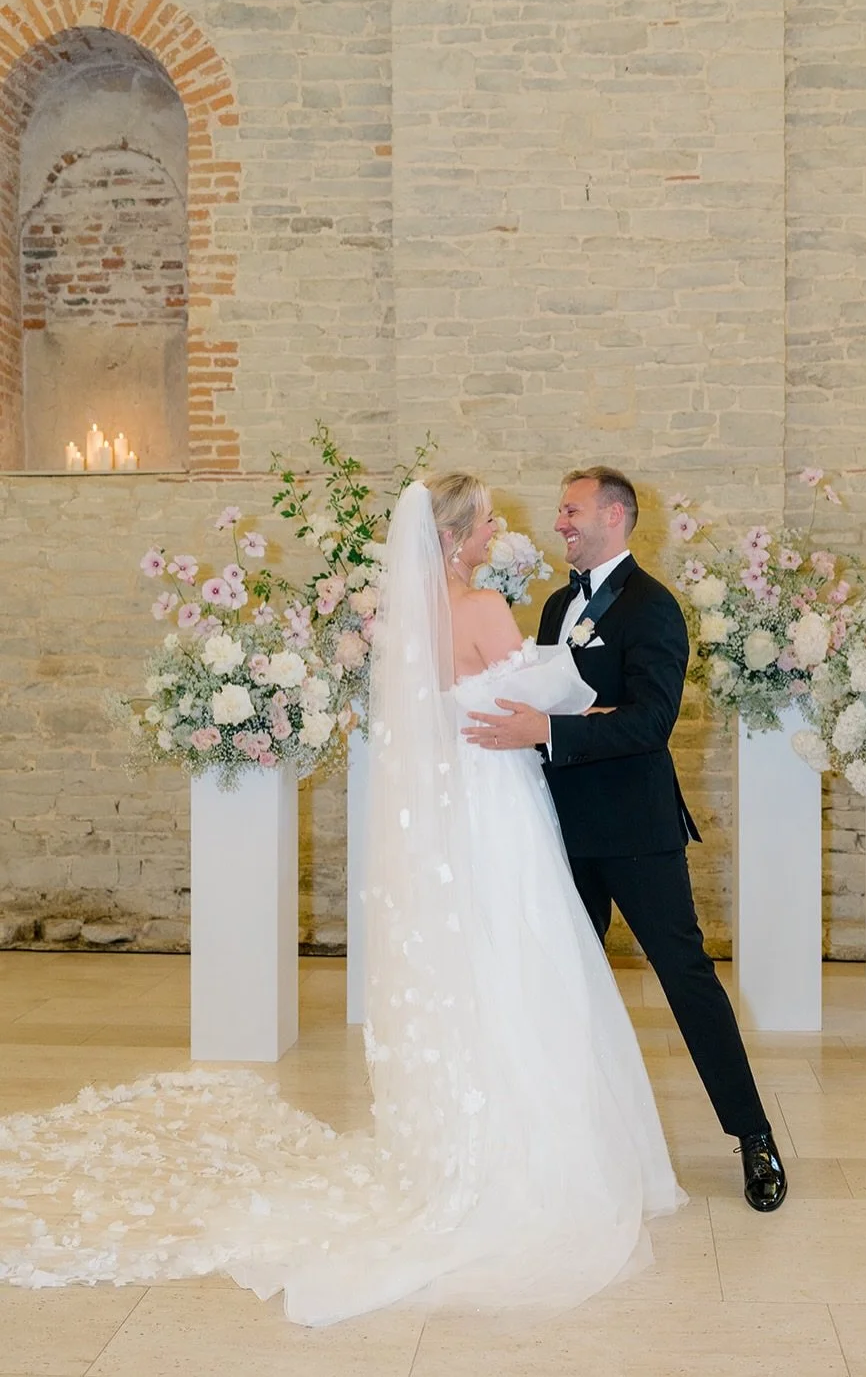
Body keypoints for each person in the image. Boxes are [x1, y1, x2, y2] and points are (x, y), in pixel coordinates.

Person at [0, 473, 683, 1326]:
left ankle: (460, 1145)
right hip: (501, 807)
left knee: (484, 964)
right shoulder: (480, 611)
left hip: (454, 812)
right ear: (455, 535)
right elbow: (527, 700)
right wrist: (581, 698)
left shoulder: (406, 619)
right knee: (524, 963)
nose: (498, 529)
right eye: (485, 521)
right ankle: (531, 1156)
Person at [463, 466, 788, 1213]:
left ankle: (753, 1136)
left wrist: (547, 728)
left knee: (685, 978)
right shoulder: (553, 607)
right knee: (562, 984)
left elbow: (650, 722)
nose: (559, 523)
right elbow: (549, 698)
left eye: (570, 510)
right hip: (560, 829)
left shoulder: (653, 607)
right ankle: (569, 1142)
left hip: (635, 832)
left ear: (614, 516)